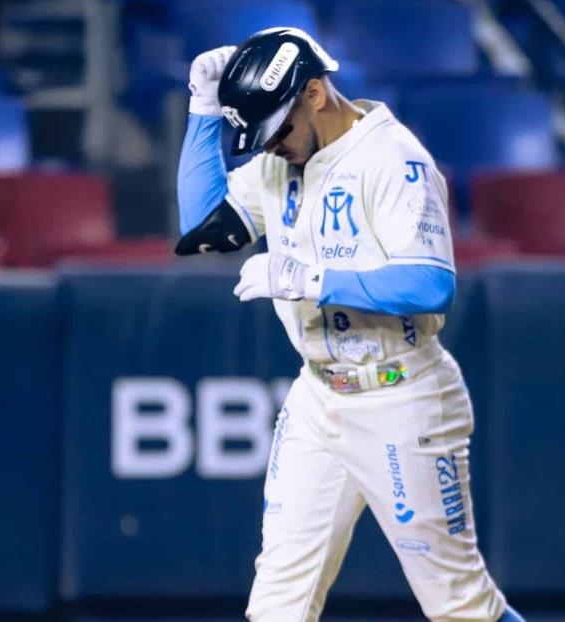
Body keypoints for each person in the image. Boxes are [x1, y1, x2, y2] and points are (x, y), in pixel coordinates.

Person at [175, 27, 524, 622]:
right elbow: (204, 227)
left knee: (460, 605)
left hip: (401, 393)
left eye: (277, 128)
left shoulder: (393, 158)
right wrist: (203, 113)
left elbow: (430, 284)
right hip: (319, 395)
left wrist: (312, 281)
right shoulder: (280, 160)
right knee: (278, 601)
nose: (271, 146)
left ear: (314, 93)